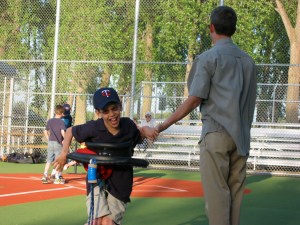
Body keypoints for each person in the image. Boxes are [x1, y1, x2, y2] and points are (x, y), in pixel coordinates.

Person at [155, 6, 257, 225]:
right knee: (234, 201)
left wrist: (162, 126)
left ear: (211, 27)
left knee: (218, 202)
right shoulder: (249, 62)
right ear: (234, 29)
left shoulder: (208, 58)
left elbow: (195, 99)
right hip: (241, 137)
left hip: (216, 134)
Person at [53, 87, 155, 225]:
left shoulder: (128, 126)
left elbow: (140, 134)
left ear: (120, 107)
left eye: (115, 108)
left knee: (108, 222)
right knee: (96, 221)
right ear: (98, 112)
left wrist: (146, 129)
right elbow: (70, 131)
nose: (112, 114)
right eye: (106, 111)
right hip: (97, 176)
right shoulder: (93, 127)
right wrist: (64, 153)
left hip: (121, 179)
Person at [42, 105, 66, 184]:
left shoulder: (50, 121)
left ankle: (45, 175)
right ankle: (57, 177)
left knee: (49, 160)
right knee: (58, 161)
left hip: (50, 142)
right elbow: (62, 132)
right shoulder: (61, 122)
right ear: (61, 113)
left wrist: (48, 138)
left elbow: (45, 131)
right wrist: (66, 140)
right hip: (58, 143)